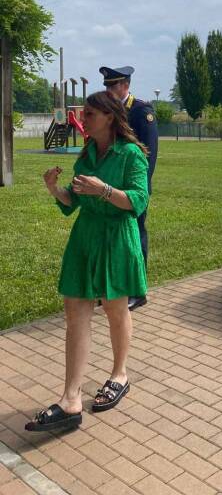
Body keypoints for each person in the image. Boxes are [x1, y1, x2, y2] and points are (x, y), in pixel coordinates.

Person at [25, 92, 149, 432]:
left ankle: (120, 375)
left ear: (109, 117)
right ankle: (70, 399)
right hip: (84, 240)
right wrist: (55, 189)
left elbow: (138, 200)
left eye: (90, 114)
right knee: (75, 313)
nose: (83, 120)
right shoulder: (88, 154)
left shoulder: (131, 155)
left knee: (114, 309)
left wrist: (105, 190)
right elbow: (72, 200)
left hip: (116, 239)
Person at [99, 65, 158, 311]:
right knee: (113, 237)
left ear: (125, 85)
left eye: (114, 85)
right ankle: (112, 287)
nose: (110, 90)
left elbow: (149, 155)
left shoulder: (141, 111)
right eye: (108, 86)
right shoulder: (110, 110)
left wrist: (138, 189)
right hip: (112, 186)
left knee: (135, 237)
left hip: (133, 189)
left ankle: (137, 291)